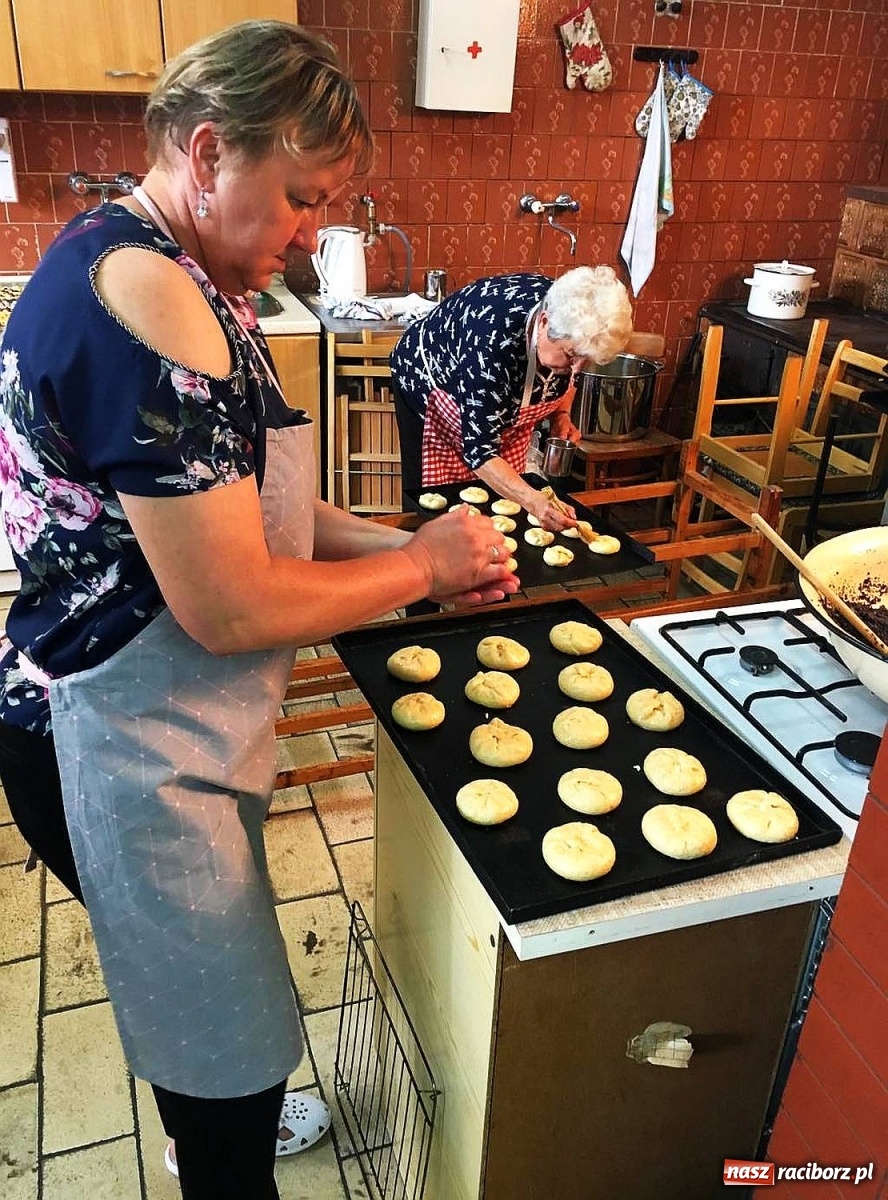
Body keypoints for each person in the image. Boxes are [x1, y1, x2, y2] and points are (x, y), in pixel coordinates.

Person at [0, 21, 518, 1200]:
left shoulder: (169, 267)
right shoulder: (148, 300)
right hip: (112, 750)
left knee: (211, 1045)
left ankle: (207, 1113)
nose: (307, 235)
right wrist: (424, 570)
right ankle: (216, 1134)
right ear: (206, 150)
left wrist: (412, 545)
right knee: (227, 1091)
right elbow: (231, 602)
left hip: (161, 739)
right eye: (298, 198)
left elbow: (260, 515)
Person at [390, 266, 634, 531]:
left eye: (587, 362)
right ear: (543, 323)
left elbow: (570, 377)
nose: (577, 369)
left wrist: (561, 413)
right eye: (571, 355)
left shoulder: (574, 313)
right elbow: (481, 452)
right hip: (431, 387)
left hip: (493, 389)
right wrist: (535, 501)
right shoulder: (491, 346)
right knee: (437, 509)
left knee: (505, 508)